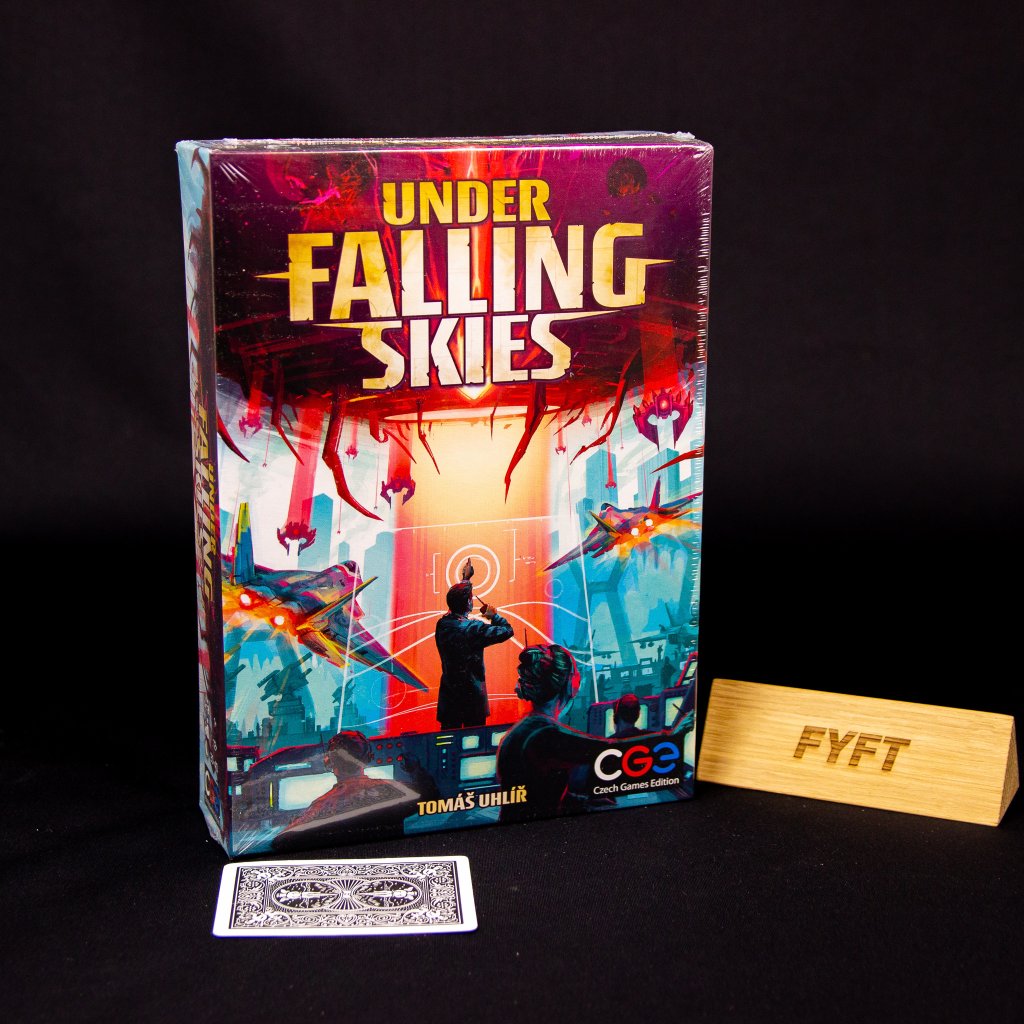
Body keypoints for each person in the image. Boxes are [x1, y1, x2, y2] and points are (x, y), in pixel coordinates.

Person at [496, 644, 694, 823]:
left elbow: (538, 793)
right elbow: (612, 750)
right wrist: (673, 736)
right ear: (570, 685)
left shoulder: (524, 730)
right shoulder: (544, 734)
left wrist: (580, 803)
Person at [272, 730, 438, 849]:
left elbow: (281, 841)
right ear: (368, 759)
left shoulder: (320, 807)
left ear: (329, 762)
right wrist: (416, 769)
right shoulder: (396, 791)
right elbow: (433, 798)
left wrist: (296, 821)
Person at [435, 557, 513, 729]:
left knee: (449, 741)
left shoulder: (442, 625)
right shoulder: (474, 629)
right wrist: (494, 616)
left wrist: (466, 580)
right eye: (470, 598)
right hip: (473, 702)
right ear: (469, 603)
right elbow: (507, 630)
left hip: (450, 702)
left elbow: (455, 604)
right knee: (475, 741)